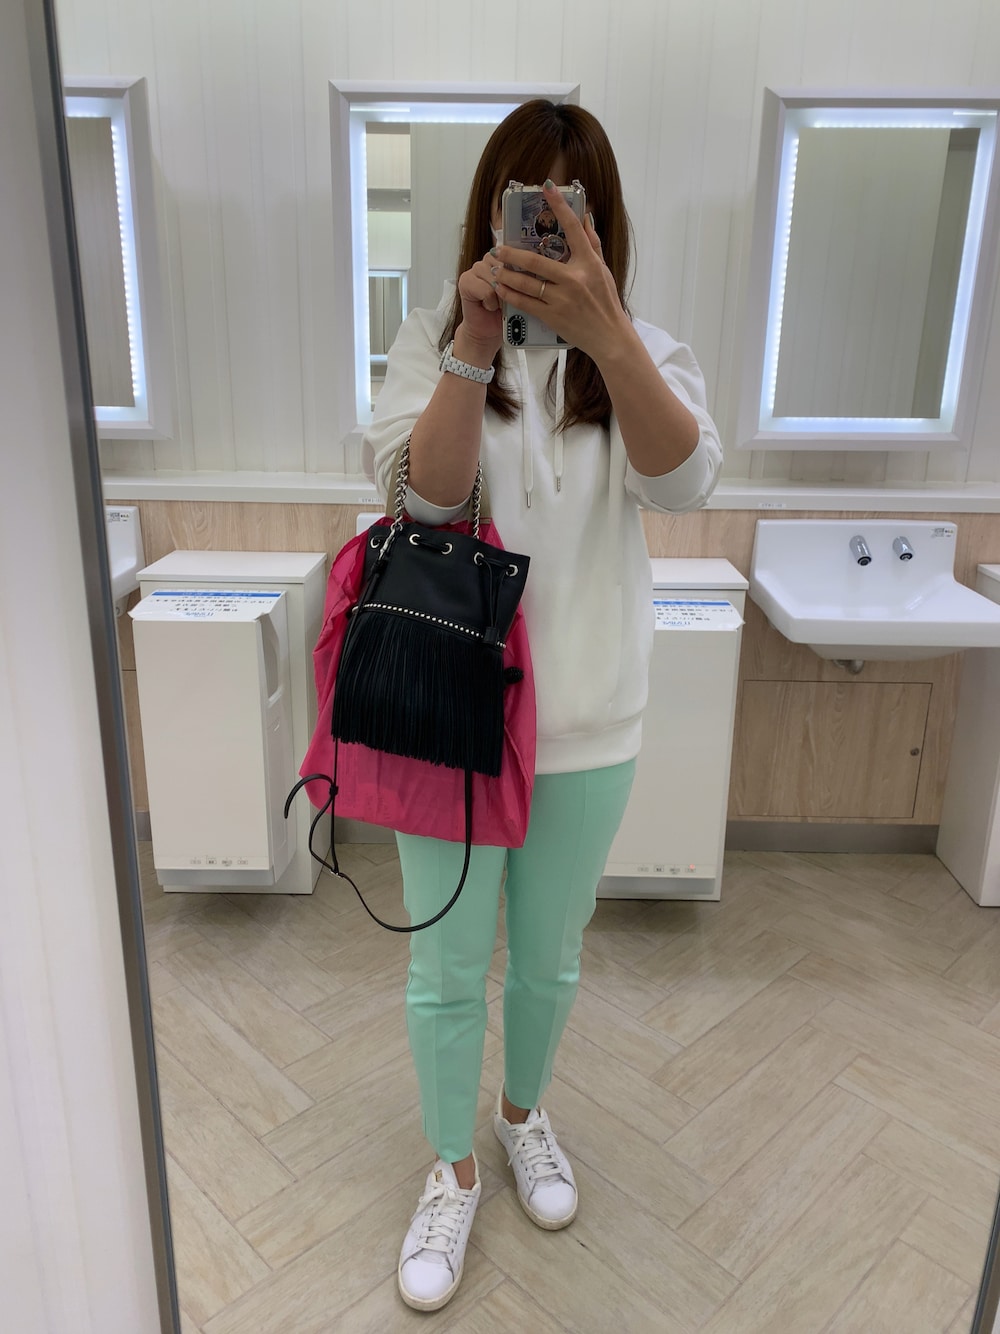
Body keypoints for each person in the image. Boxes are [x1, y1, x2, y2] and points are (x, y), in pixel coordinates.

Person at [362, 99, 722, 1312]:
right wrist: (474, 338)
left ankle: (521, 1116)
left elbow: (683, 481)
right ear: (490, 213)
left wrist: (606, 332)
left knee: (551, 960)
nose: (545, 226)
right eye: (527, 202)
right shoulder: (428, 340)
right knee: (446, 966)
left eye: (569, 206)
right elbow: (424, 498)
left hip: (591, 721)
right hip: (450, 724)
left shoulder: (643, 352)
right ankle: (452, 1164)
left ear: (599, 222)